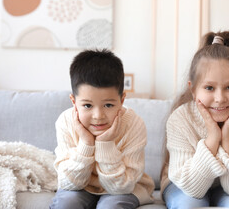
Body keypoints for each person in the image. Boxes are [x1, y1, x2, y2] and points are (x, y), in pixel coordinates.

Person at [160, 31, 229, 209]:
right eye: (209, 87)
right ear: (193, 89)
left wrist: (228, 140)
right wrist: (212, 138)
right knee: (188, 204)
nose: (220, 98)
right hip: (185, 185)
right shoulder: (180, 119)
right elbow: (191, 188)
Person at [50, 49, 154, 209]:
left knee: (111, 206)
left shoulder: (134, 124)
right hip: (80, 186)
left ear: (122, 99)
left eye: (108, 105)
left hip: (124, 188)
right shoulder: (65, 121)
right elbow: (68, 183)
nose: (98, 116)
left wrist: (105, 143)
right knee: (67, 203)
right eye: (87, 105)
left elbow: (122, 187)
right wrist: (86, 143)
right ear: (73, 101)